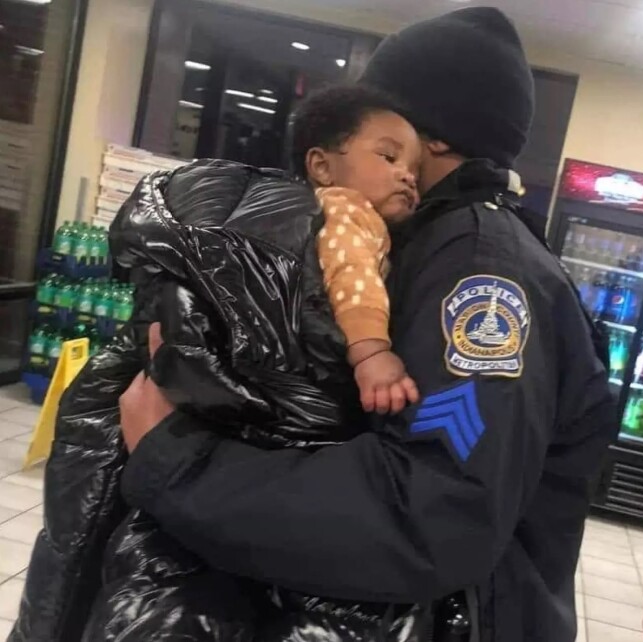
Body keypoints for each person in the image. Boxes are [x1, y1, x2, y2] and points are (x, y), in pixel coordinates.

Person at [119, 7, 617, 641]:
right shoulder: (415, 242)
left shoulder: (477, 270)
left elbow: (431, 509)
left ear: (429, 136)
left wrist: (179, 461)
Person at [294, 85, 422, 414]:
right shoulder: (345, 208)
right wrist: (371, 354)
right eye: (389, 157)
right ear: (322, 167)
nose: (407, 176)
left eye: (415, 171)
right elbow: (351, 272)